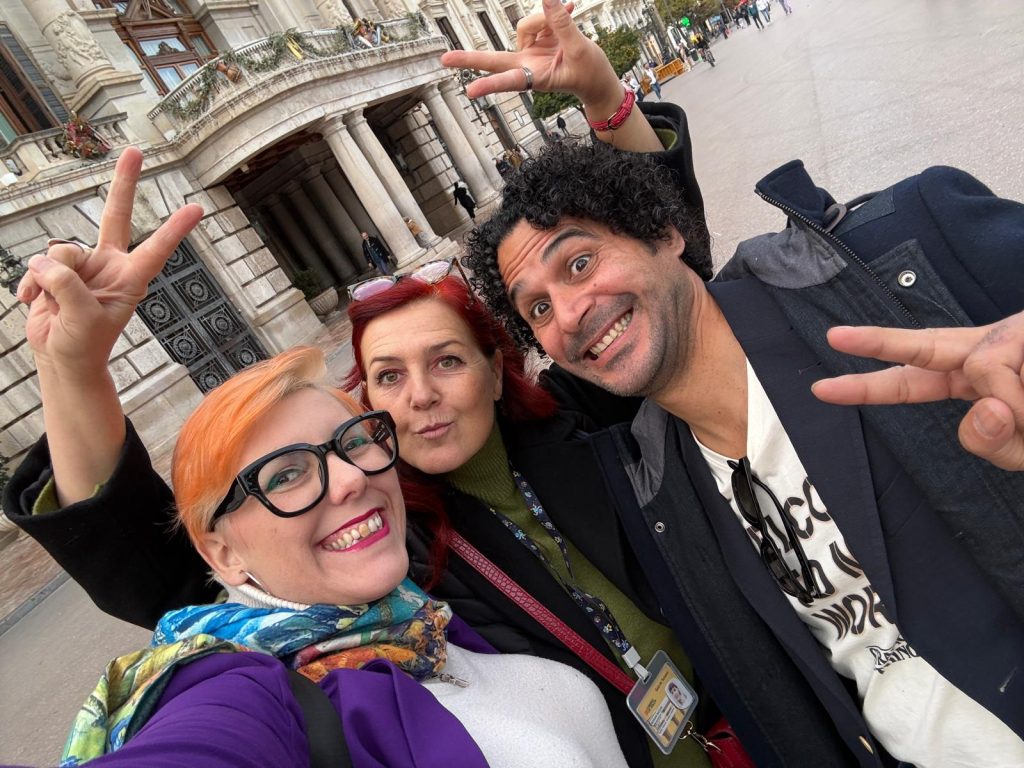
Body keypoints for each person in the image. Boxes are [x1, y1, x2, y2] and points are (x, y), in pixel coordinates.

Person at [444, 2, 1024, 765]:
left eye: (580, 262)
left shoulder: (899, 264)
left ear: (665, 232)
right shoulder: (658, 494)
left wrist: (606, 97)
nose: (571, 312)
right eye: (538, 309)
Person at [7, 146, 722, 765]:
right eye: (388, 376)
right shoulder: (380, 535)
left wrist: (610, 107)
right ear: (369, 402)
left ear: (495, 367)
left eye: (447, 361)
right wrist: (74, 375)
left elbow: (668, 291)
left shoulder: (582, 421)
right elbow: (170, 569)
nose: (421, 395)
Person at [50, 346, 632, 767]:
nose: (352, 478)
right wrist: (69, 373)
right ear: (223, 553)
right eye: (285, 475)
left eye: (353, 442)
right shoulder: (244, 691)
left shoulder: (419, 615)